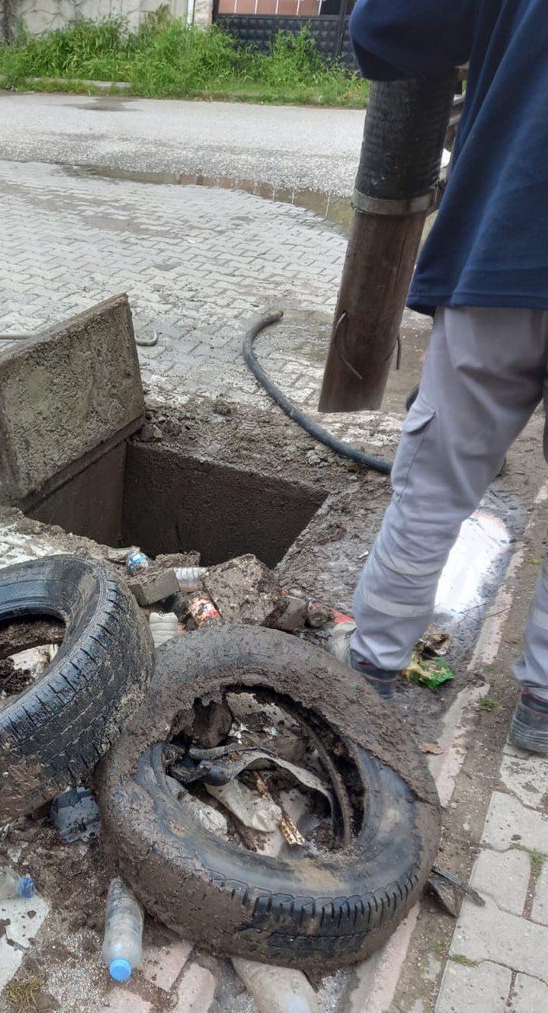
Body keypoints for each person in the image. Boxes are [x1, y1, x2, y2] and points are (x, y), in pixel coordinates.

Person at [329, 0, 548, 755]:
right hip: (504, 239)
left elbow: (380, 31)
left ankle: (370, 668)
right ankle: (543, 702)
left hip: (508, 237)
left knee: (437, 479)